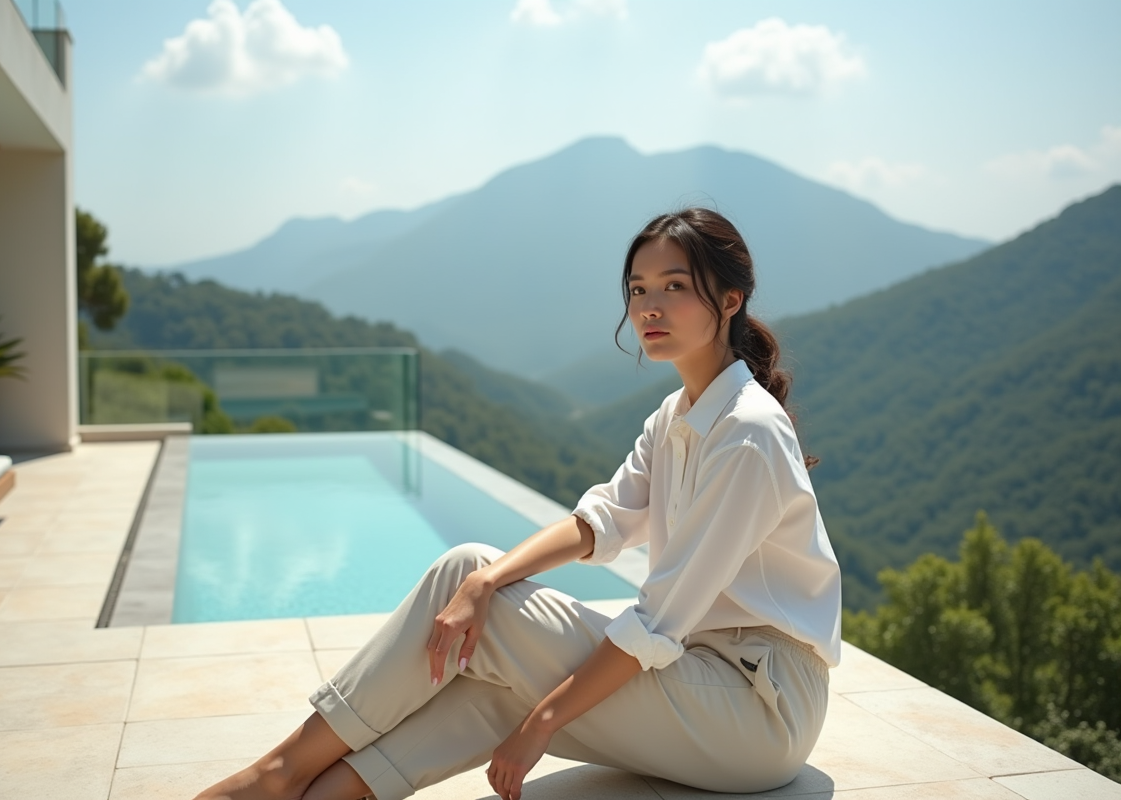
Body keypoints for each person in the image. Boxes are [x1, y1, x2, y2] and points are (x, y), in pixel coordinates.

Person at [195, 208, 842, 800]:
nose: (650, 305)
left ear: (730, 300)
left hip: (759, 710)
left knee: (512, 663)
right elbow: (601, 522)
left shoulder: (747, 431)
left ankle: (277, 775)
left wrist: (543, 725)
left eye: (675, 286)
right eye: (639, 288)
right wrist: (489, 579)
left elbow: (659, 619)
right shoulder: (676, 415)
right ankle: (333, 791)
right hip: (705, 677)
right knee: (478, 598)